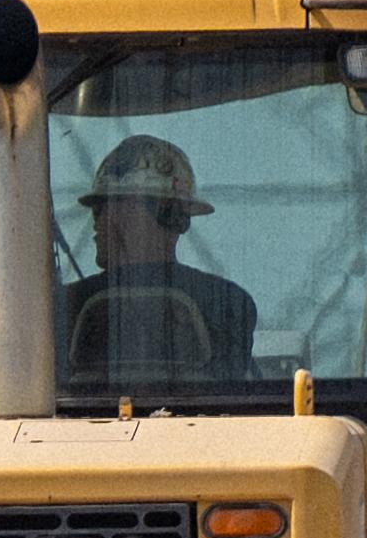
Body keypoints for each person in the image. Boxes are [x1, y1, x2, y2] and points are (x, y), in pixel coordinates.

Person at [58, 128, 260, 387]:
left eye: (101, 208)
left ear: (137, 210)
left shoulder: (64, 309)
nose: (95, 221)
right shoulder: (230, 304)